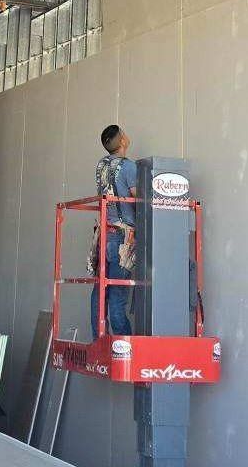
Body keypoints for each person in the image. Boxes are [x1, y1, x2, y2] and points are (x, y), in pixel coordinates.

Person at [90, 124, 138, 340]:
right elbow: (139, 198)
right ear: (123, 141)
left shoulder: (101, 165)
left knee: (100, 291)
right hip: (122, 237)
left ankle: (99, 339)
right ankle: (123, 345)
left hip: (104, 233)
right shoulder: (129, 167)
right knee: (118, 293)